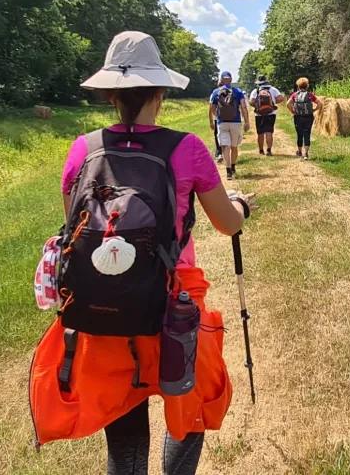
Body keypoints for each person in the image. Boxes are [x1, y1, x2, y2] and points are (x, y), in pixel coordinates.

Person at [30, 31, 258, 475]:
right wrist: (242, 203)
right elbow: (227, 224)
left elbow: (77, 230)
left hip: (105, 304)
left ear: (111, 94)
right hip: (173, 304)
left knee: (125, 427)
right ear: (160, 90)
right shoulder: (187, 148)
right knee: (188, 413)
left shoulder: (83, 149)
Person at [209, 71, 250, 179]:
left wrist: (217, 117)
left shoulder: (216, 92)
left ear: (221, 80)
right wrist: (247, 121)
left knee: (225, 147)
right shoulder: (238, 91)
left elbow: (212, 108)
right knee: (234, 146)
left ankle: (228, 171)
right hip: (236, 122)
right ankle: (232, 167)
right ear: (231, 80)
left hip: (222, 122)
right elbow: (243, 107)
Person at [248, 75, 285, 156]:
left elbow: (251, 102)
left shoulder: (255, 91)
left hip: (259, 114)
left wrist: (259, 107)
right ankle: (268, 150)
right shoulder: (273, 89)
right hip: (271, 113)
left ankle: (261, 150)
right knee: (269, 132)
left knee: (260, 133)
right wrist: (272, 104)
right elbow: (281, 98)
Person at [287, 77, 320, 160]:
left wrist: (292, 111)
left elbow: (288, 103)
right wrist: (314, 109)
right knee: (307, 133)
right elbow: (320, 103)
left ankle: (299, 151)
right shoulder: (310, 95)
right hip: (308, 116)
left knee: (299, 134)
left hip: (298, 117)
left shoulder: (295, 95)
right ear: (307, 86)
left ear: (298, 86)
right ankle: (306, 154)